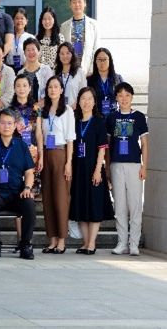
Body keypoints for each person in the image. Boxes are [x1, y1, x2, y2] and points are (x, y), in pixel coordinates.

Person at [0, 109, 37, 260]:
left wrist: (27, 188)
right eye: (3, 123)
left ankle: (25, 245)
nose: (6, 126)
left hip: (18, 193)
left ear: (15, 125)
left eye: (10, 123)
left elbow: (29, 172)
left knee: (29, 202)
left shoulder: (22, 146)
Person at [106, 82, 148, 256]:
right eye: (120, 95)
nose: (124, 99)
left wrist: (144, 166)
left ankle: (134, 244)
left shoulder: (139, 117)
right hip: (116, 164)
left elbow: (144, 144)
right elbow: (108, 145)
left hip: (134, 165)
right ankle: (122, 242)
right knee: (120, 206)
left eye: (127, 95)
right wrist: (107, 168)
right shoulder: (111, 117)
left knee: (135, 204)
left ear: (132, 97)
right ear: (116, 97)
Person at [69, 88, 113, 255]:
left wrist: (98, 170)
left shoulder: (99, 122)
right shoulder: (75, 122)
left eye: (89, 99)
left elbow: (102, 148)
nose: (86, 102)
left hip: (93, 168)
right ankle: (85, 242)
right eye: (83, 98)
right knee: (80, 205)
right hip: (78, 169)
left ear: (94, 102)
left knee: (94, 205)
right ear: (78, 101)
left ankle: (92, 243)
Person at [37, 76, 76, 254]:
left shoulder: (67, 110)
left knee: (61, 198)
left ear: (61, 90)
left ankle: (61, 240)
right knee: (47, 198)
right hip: (46, 153)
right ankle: (52, 239)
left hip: (61, 154)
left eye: (56, 87)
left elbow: (70, 139)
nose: (52, 90)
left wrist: (68, 163)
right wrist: (40, 157)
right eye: (50, 87)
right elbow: (40, 135)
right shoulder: (43, 111)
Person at [60, 0, 99, 78]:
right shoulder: (64, 27)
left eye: (79, 1)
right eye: (74, 2)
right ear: (70, 5)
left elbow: (96, 49)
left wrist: (92, 70)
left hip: (89, 72)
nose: (77, 4)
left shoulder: (94, 25)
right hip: (69, 72)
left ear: (85, 3)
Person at [86, 48, 122, 116]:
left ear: (110, 60)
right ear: (95, 61)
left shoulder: (118, 79)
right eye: (99, 59)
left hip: (113, 117)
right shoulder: (89, 80)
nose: (102, 62)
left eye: (105, 59)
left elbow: (123, 99)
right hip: (95, 117)